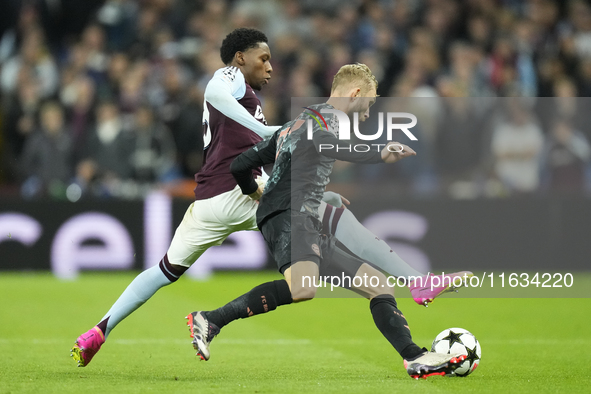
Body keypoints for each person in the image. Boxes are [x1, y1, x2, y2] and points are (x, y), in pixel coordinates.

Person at [71, 28, 467, 368]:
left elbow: (278, 165)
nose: (270, 67)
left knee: (164, 270)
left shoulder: (254, 100)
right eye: (264, 59)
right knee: (326, 219)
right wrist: (271, 131)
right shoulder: (229, 78)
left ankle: (100, 329)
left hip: (218, 198)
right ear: (241, 58)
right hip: (235, 191)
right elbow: (216, 93)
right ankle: (416, 280)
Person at [187, 64, 468, 379]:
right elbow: (324, 145)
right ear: (356, 93)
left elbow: (242, 164)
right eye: (370, 103)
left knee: (377, 285)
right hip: (288, 216)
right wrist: (378, 152)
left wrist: (265, 193)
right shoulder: (329, 121)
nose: (368, 112)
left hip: (297, 213)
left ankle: (415, 358)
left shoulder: (297, 123)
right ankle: (211, 319)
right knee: (303, 287)